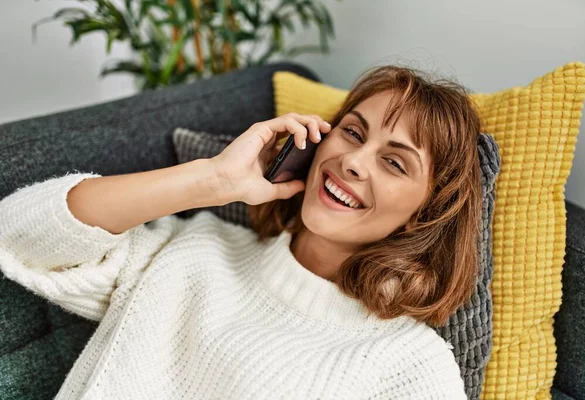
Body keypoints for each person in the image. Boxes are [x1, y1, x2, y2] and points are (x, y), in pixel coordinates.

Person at [0, 65, 482, 399]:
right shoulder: (195, 249)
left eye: (394, 162)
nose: (352, 161)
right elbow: (20, 233)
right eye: (352, 132)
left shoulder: (408, 363)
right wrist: (211, 180)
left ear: (426, 213)